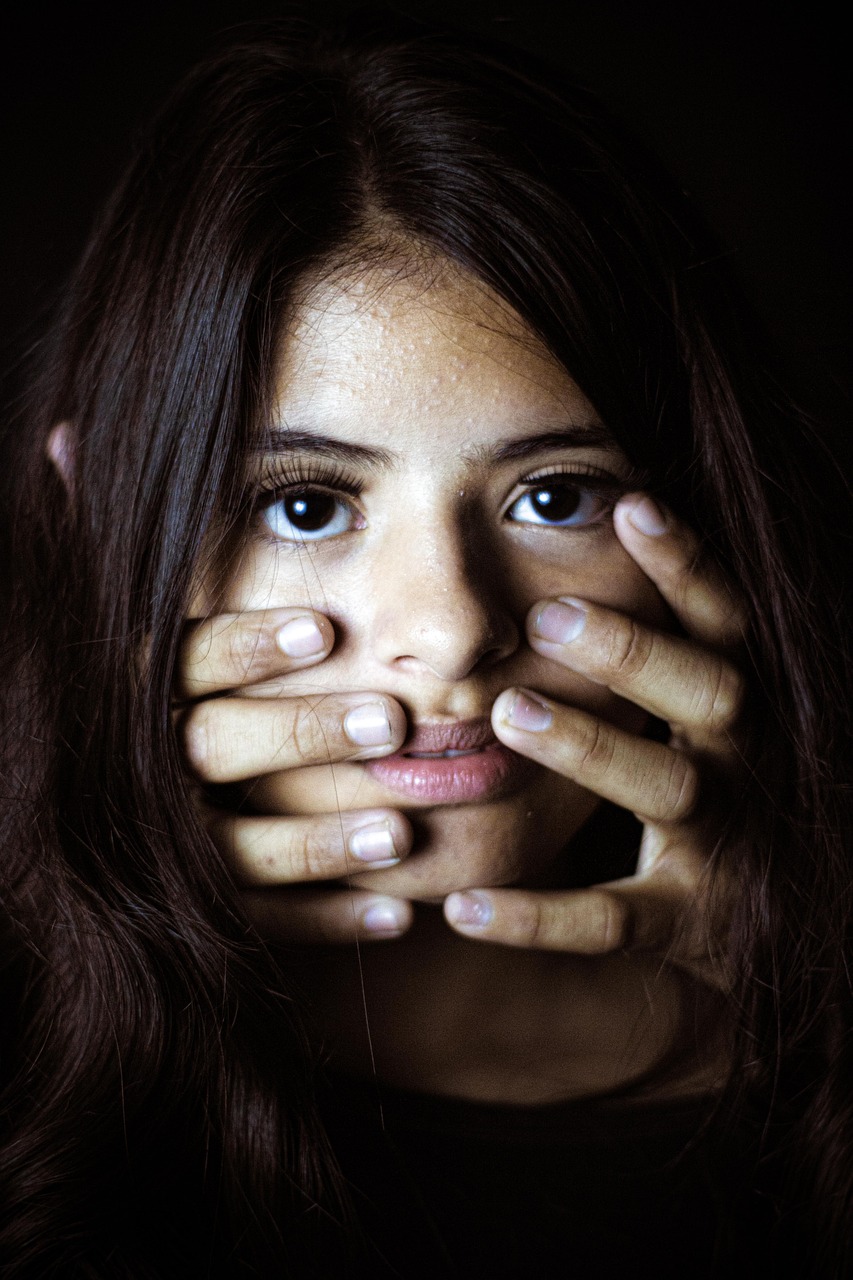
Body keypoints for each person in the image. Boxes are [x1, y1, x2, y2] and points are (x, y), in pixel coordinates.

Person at [1, 11, 850, 1277]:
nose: (452, 633)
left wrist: (812, 969)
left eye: (553, 495)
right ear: (94, 516)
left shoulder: (808, 1047)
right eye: (303, 505)